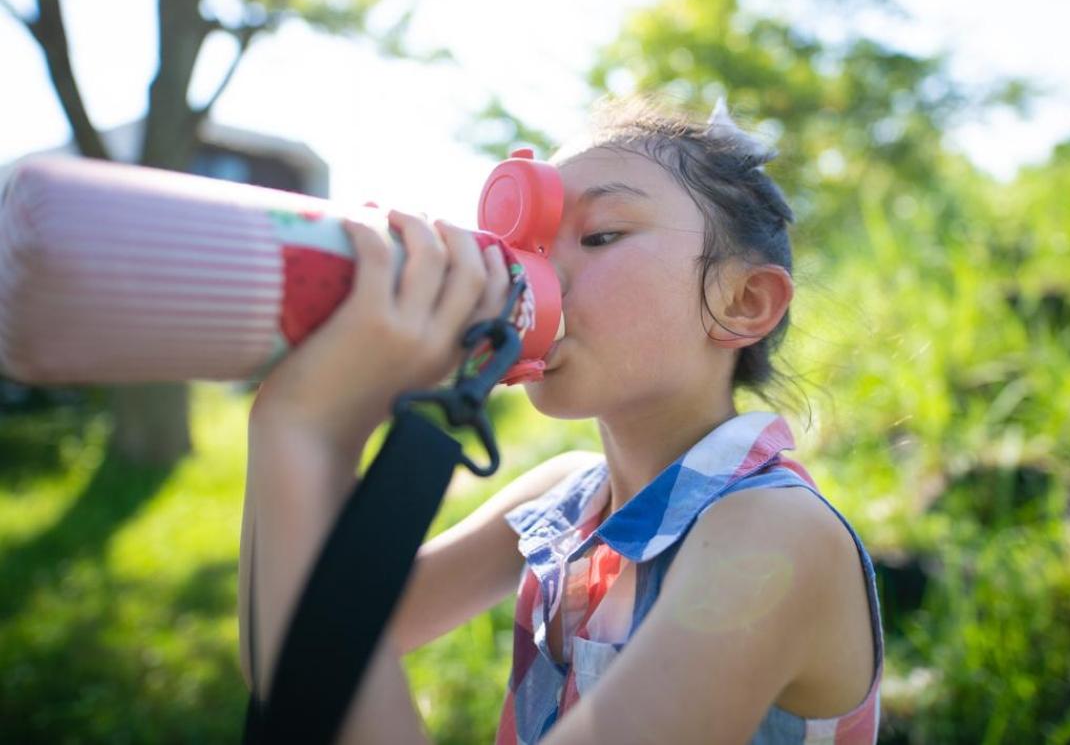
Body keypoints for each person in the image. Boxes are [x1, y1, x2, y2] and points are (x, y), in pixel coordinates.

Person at [237, 95, 884, 744]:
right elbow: (288, 660)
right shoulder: (565, 498)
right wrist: (298, 421)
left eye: (600, 234)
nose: (532, 274)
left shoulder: (775, 532)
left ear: (744, 302)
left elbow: (319, 659)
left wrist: (309, 440)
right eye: (527, 244)